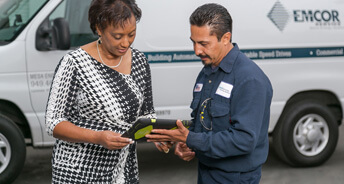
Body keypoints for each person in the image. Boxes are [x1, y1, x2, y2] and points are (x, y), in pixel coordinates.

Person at [146, 3, 273, 184]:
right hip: (206, 173)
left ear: (226, 38)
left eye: (203, 44)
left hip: (235, 178)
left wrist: (191, 139)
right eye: (193, 42)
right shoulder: (207, 71)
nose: (197, 50)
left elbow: (243, 140)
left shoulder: (249, 79)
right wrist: (185, 142)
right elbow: (204, 124)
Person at [45, 0, 169, 183]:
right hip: (78, 172)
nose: (125, 42)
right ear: (99, 28)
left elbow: (147, 114)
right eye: (118, 36)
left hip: (123, 169)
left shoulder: (140, 61)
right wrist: (97, 137)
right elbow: (53, 122)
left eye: (131, 34)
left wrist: (158, 136)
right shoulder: (74, 63)